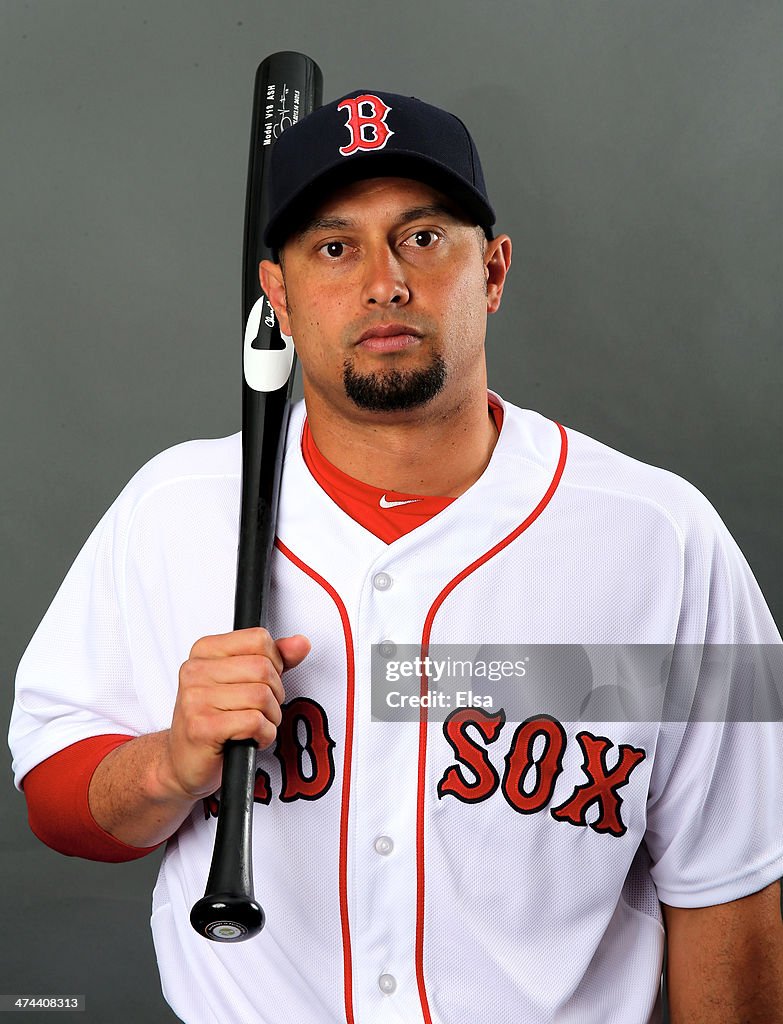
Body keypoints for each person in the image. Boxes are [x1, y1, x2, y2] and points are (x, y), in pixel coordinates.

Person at [9, 89, 783, 1024]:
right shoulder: (172, 509)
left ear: (492, 271)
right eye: (335, 248)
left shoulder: (663, 538)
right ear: (279, 296)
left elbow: (732, 887)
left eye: (422, 238)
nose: (384, 281)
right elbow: (55, 801)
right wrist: (168, 765)